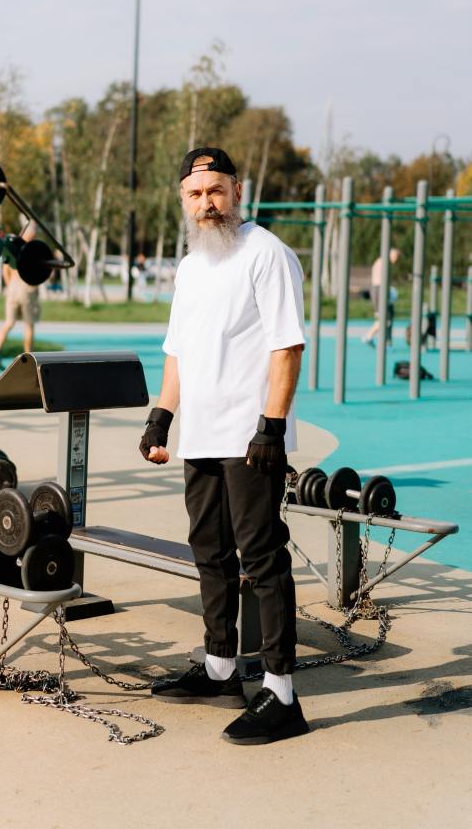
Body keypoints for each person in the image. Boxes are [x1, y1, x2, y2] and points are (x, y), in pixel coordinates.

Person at [140, 147, 308, 745]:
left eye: (215, 190)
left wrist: (272, 427)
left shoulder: (267, 254)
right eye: (194, 194)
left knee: (262, 558)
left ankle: (282, 693)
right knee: (209, 550)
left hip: (249, 437)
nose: (206, 203)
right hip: (202, 436)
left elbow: (286, 346)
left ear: (238, 190)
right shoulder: (190, 267)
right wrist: (162, 416)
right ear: (182, 200)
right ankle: (219, 669)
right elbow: (178, 352)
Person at [0, 221, 40, 367]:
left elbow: (5, 269)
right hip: (27, 290)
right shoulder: (35, 251)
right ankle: (28, 356)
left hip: (13, 289)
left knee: (9, 322)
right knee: (29, 325)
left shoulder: (14, 249)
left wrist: (10, 284)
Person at [362, 248, 401, 346]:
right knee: (385, 319)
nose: (396, 260)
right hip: (380, 290)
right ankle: (369, 336)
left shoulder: (381, 261)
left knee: (385, 318)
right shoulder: (384, 262)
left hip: (378, 290)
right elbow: (382, 281)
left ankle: (382, 340)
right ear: (391, 254)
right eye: (396, 257)